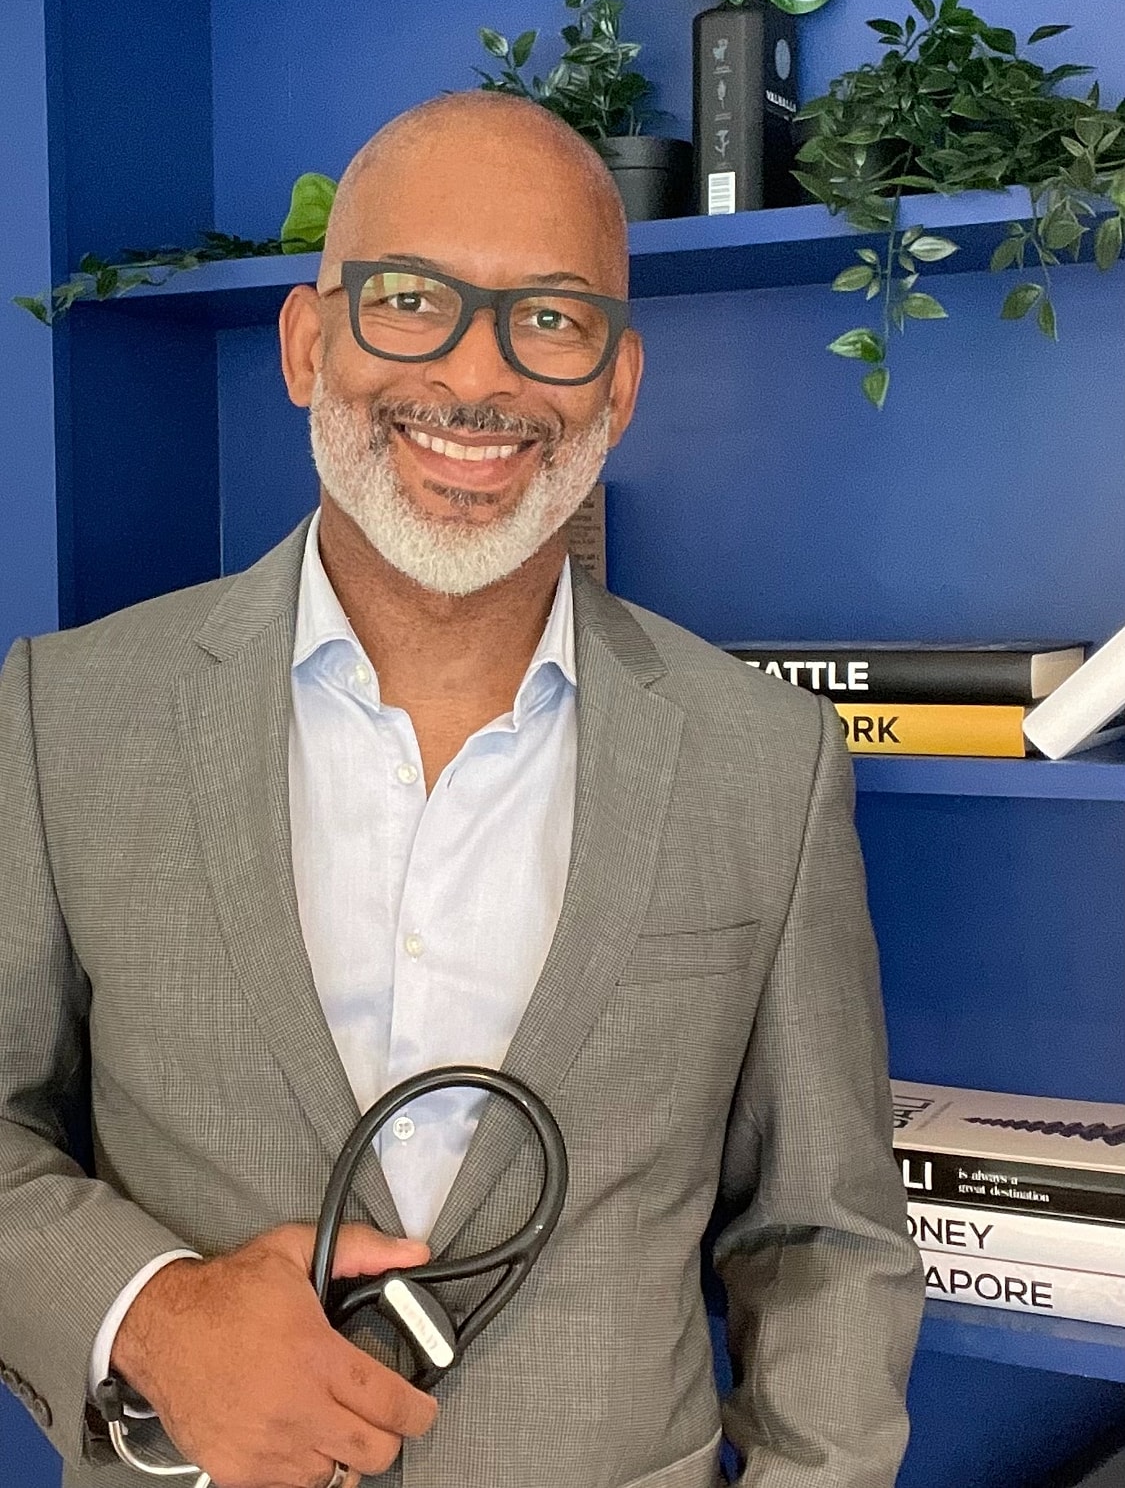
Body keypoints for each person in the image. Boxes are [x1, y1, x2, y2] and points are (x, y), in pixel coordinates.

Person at [0, 90, 923, 1488]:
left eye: (550, 316)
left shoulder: (765, 763)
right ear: (307, 345)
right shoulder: (62, 713)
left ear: (616, 386)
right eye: (410, 299)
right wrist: (150, 1312)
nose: (477, 375)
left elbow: (826, 1241)